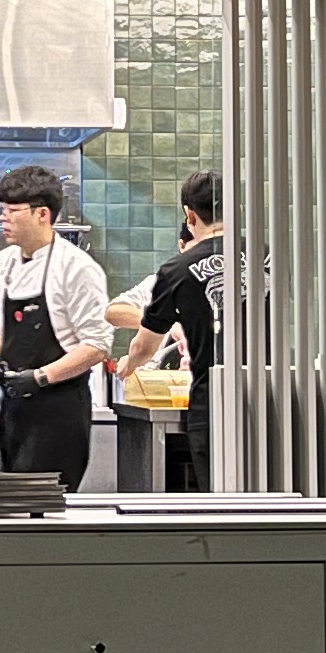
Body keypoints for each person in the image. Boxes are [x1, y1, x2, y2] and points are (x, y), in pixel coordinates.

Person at [0, 166, 110, 485]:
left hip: (59, 412)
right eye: (2, 210)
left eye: (13, 211)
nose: (3, 218)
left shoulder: (77, 268)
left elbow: (97, 345)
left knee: (46, 505)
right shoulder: (1, 264)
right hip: (14, 409)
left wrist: (40, 377)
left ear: (42, 214)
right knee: (17, 504)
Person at [107, 167, 225, 490]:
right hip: (271, 402)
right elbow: (113, 311)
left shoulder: (177, 271)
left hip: (210, 406)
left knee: (220, 504)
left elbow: (143, 348)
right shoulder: (266, 256)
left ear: (190, 215)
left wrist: (130, 364)